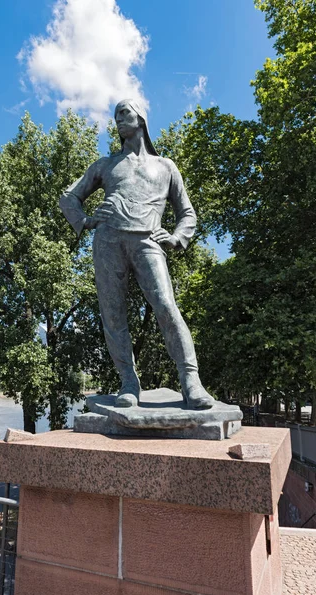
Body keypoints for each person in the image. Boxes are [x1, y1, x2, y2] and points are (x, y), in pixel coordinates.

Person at [60, 99, 215, 410]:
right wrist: (86, 220)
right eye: (115, 115)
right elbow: (69, 197)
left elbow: (187, 213)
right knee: (113, 315)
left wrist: (175, 239)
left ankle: (191, 381)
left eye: (123, 112)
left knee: (166, 307)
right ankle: (128, 382)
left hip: (148, 240)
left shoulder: (166, 166)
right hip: (108, 241)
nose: (117, 119)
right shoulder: (106, 165)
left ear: (141, 117)